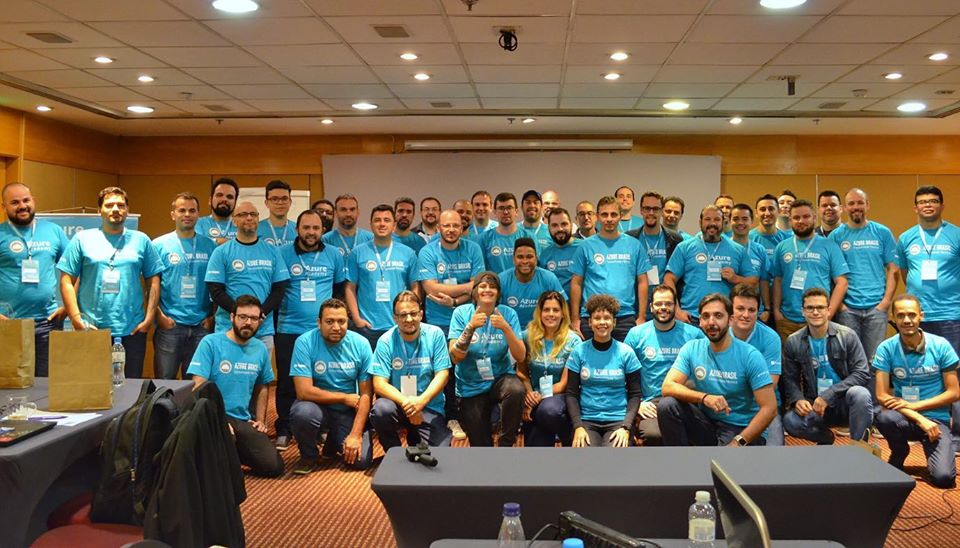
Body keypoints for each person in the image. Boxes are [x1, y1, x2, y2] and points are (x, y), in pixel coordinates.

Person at [58, 186, 162, 378]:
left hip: (132, 330)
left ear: (127, 210)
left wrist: (148, 319)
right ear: (99, 210)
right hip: (92, 329)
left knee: (130, 388)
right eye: (109, 205)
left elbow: (154, 280)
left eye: (121, 205)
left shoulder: (141, 240)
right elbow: (66, 281)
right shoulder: (82, 239)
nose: (115, 209)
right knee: (91, 386)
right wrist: (76, 319)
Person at [658, 294, 777, 446]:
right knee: (667, 405)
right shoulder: (692, 348)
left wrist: (739, 442)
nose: (711, 322)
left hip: (741, 427)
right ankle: (680, 459)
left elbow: (770, 408)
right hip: (707, 422)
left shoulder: (750, 355)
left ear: (731, 320)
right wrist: (704, 397)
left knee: (722, 459)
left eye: (718, 316)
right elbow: (667, 386)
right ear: (700, 321)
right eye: (706, 316)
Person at [186, 295, 284, 477]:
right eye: (243, 317)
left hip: (241, 420)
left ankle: (229, 456)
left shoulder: (260, 349)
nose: (248, 323)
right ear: (232, 317)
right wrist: (219, 421)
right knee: (223, 469)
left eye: (254, 318)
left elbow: (263, 386)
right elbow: (198, 387)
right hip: (212, 417)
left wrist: (260, 420)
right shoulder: (210, 343)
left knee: (273, 467)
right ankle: (221, 457)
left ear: (260, 321)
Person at [274, 209, 346, 450]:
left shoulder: (334, 254)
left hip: (321, 331)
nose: (311, 232)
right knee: (286, 381)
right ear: (297, 229)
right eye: (306, 227)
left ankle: (320, 428)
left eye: (316, 228)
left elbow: (338, 290)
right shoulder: (282, 253)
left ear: (322, 230)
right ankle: (284, 428)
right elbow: (277, 288)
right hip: (289, 328)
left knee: (321, 380)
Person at [896, 185, 960, 453]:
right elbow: (904, 272)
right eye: (922, 201)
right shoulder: (906, 238)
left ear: (942, 205)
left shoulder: (956, 234)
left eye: (933, 201)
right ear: (915, 207)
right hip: (916, 317)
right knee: (917, 371)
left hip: (951, 314)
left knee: (953, 375)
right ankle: (918, 424)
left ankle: (956, 435)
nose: (928, 205)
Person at [874, 294, 959, 488]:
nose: (906, 320)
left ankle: (934, 451)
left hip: (936, 421)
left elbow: (954, 392)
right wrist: (918, 417)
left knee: (944, 478)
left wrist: (917, 406)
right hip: (904, 417)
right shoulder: (886, 348)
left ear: (921, 315)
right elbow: (881, 395)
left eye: (911, 315)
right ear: (893, 318)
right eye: (901, 315)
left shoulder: (940, 345)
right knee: (882, 416)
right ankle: (899, 450)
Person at [416, 209, 485, 440]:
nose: (451, 230)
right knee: (445, 369)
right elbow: (430, 287)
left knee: (469, 365)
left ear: (462, 228)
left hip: (467, 316)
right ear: (439, 228)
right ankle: (451, 416)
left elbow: (478, 287)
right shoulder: (428, 252)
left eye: (456, 225)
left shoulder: (473, 249)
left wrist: (455, 300)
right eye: (446, 225)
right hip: (438, 321)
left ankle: (472, 415)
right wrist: (468, 287)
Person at [289, 298, 374, 473]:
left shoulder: (361, 344)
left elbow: (366, 394)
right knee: (302, 413)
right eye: (329, 321)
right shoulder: (304, 342)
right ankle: (309, 455)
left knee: (361, 462)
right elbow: (303, 392)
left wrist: (355, 434)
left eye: (341, 321)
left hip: (347, 412)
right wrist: (343, 398)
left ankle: (334, 440)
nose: (336, 327)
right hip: (317, 407)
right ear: (319, 323)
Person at [781, 288, 873, 445]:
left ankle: (859, 448)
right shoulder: (793, 341)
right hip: (815, 405)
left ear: (828, 310)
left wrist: (829, 394)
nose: (815, 312)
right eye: (810, 308)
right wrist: (798, 399)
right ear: (803, 311)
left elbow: (862, 373)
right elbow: (790, 379)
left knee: (861, 394)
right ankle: (826, 439)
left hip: (845, 402)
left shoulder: (847, 335)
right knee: (790, 421)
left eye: (820, 307)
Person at [448, 272, 526, 447]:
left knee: (516, 389)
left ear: (498, 293)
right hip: (471, 385)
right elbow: (455, 357)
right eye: (483, 286)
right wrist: (470, 327)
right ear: (475, 291)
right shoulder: (461, 313)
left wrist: (506, 328)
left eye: (492, 287)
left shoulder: (508, 314)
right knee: (481, 447)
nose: (487, 290)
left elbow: (520, 356)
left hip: (500, 379)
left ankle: (506, 445)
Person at [0, 183, 68, 377]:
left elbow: (76, 270)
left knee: (45, 384)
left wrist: (67, 307)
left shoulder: (53, 231)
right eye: (15, 202)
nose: (22, 206)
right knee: (9, 384)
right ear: (4, 207)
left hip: (48, 322)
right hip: (8, 324)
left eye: (26, 200)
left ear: (33, 201)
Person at [369, 291, 452, 451]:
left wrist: (421, 402)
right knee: (381, 410)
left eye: (413, 314)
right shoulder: (385, 341)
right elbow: (379, 384)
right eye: (403, 315)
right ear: (395, 318)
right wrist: (408, 404)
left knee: (441, 455)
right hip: (397, 405)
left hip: (428, 405)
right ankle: (394, 452)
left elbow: (443, 374)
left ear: (421, 314)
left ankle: (415, 436)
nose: (409, 319)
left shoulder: (435, 335)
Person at [623, 285, 704, 446]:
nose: (663, 307)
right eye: (659, 304)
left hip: (686, 401)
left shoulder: (694, 334)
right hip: (652, 404)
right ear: (651, 306)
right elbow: (621, 373)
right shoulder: (636, 334)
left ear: (675, 306)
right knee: (653, 435)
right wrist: (637, 403)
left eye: (668, 303)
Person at [205, 201, 289, 350]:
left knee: (261, 366)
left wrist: (258, 314)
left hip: (262, 330)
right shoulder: (221, 252)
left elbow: (279, 289)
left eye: (253, 214)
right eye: (243, 214)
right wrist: (241, 315)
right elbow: (215, 290)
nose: (249, 218)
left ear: (258, 219)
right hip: (228, 329)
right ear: (234, 221)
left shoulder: (272, 251)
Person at [151, 192, 216, 380]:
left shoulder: (210, 246)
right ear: (173, 214)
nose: (187, 214)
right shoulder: (159, 245)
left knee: (196, 385)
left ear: (198, 215)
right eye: (182, 210)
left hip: (201, 326)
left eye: (192, 211)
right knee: (164, 383)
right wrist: (159, 316)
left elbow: (218, 285)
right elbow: (151, 285)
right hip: (170, 325)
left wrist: (212, 317)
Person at [831, 188, 898, 362]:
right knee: (849, 361)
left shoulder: (882, 233)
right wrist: (840, 306)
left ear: (867, 205)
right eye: (851, 203)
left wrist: (885, 302)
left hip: (876, 309)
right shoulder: (835, 236)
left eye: (860, 202)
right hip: (847, 310)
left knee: (875, 362)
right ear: (844, 208)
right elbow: (830, 274)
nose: (856, 207)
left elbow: (893, 269)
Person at [570, 196, 651, 341]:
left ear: (620, 216)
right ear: (597, 216)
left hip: (625, 317)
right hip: (591, 317)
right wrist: (575, 319)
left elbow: (642, 282)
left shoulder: (634, 245)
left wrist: (641, 317)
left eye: (613, 214)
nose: (609, 219)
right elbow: (576, 283)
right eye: (604, 214)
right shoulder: (585, 246)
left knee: (626, 356)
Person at [565, 295, 642, 448]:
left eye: (607, 318)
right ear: (589, 322)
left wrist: (626, 427)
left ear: (614, 322)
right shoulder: (579, 351)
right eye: (597, 318)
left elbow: (635, 394)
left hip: (618, 421)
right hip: (587, 420)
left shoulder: (626, 352)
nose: (602, 322)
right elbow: (571, 393)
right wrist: (578, 426)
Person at [664, 205, 758, 324]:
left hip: (725, 319)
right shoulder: (684, 247)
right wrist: (676, 310)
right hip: (691, 317)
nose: (712, 223)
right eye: (708, 219)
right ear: (700, 222)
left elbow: (753, 281)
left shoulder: (737, 250)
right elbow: (669, 278)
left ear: (723, 222)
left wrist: (736, 278)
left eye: (717, 219)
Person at [771, 199, 848, 341]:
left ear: (814, 217)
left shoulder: (829, 246)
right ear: (790, 220)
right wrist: (776, 311)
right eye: (796, 217)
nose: (801, 221)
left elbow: (842, 282)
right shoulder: (782, 247)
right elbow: (777, 280)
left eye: (806, 216)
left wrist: (829, 313)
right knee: (789, 356)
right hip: (787, 320)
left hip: (818, 318)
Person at [345, 204, 418, 348]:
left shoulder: (408, 253)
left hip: (399, 325)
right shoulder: (357, 253)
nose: (382, 224)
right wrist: (357, 318)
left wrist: (410, 315)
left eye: (387, 220)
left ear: (394, 225)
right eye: (377, 220)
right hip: (368, 327)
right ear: (371, 224)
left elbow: (415, 286)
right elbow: (350, 288)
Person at [518, 291, 580, 446]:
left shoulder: (573, 341)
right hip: (534, 396)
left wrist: (538, 397)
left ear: (563, 313)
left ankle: (568, 437)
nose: (551, 314)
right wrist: (529, 395)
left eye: (556, 310)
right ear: (540, 312)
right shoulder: (527, 336)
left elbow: (564, 383)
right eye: (546, 310)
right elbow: (522, 372)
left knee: (548, 410)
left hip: (560, 396)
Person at [729, 283, 785, 445]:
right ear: (731, 310)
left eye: (751, 310)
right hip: (728, 407)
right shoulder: (719, 333)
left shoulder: (771, 338)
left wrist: (729, 382)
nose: (746, 315)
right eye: (740, 309)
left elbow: (771, 384)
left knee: (773, 455)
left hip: (764, 407)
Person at [625, 192, 685, 319]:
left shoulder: (675, 240)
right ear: (641, 210)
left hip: (666, 306)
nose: (651, 212)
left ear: (661, 211)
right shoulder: (629, 239)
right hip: (637, 308)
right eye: (647, 208)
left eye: (656, 209)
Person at [498, 237, 565, 329]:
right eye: (520, 257)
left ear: (536, 259)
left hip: (542, 330)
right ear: (513, 259)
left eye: (529, 257)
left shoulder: (549, 278)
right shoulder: (501, 280)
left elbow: (563, 306)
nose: (525, 261)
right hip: (510, 330)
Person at [730, 203, 772, 323]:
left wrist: (767, 309)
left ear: (752, 221)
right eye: (736, 219)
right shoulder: (722, 247)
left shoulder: (759, 250)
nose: (740, 223)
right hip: (730, 311)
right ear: (729, 221)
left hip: (755, 312)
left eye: (745, 219)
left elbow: (763, 280)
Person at [539, 207, 583, 295]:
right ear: (548, 228)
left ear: (571, 225)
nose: (560, 229)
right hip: (555, 303)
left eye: (564, 224)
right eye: (554, 225)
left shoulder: (584, 247)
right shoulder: (545, 255)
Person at [481, 192, 526, 274]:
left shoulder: (528, 237)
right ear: (495, 212)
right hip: (495, 282)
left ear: (516, 211)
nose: (505, 212)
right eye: (501, 208)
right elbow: (481, 270)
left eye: (509, 208)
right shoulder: (484, 238)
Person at [196, 178, 239, 244]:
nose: (224, 199)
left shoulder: (242, 225)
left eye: (229, 197)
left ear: (235, 202)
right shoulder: (198, 223)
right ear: (210, 200)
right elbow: (199, 243)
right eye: (219, 195)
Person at [749, 193, 790, 260]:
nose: (767, 213)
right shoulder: (748, 238)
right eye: (762, 209)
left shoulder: (787, 240)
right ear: (756, 213)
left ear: (779, 211)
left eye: (771, 209)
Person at [257, 179, 297, 247]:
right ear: (266, 203)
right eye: (274, 199)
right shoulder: (256, 229)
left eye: (284, 198)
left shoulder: (298, 230)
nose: (280, 202)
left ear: (290, 202)